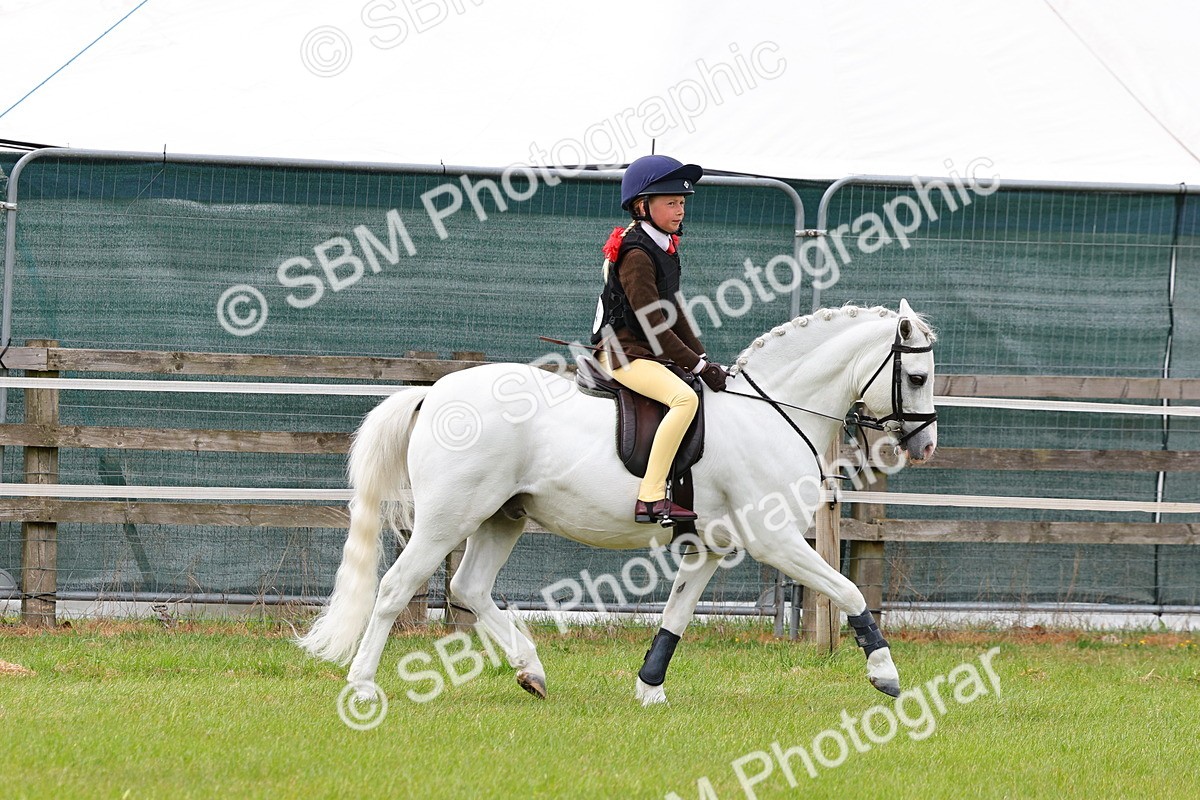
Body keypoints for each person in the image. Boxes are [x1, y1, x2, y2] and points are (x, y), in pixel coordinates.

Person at [590, 154, 728, 525]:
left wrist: (704, 358)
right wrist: (697, 366)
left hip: (645, 351)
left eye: (682, 202)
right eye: (671, 202)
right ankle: (650, 497)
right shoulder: (636, 254)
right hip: (623, 354)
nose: (680, 210)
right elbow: (655, 325)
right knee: (683, 399)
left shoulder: (663, 246)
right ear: (642, 206)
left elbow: (674, 310)